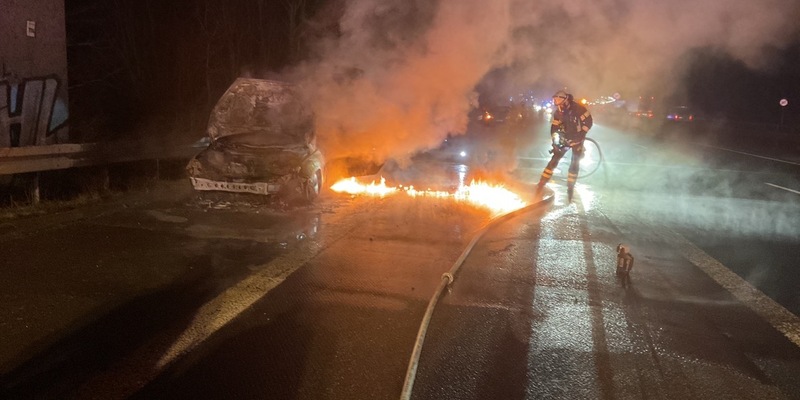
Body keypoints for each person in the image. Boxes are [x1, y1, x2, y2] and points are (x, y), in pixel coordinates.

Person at [535, 90, 593, 202]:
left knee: (575, 163)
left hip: (577, 140)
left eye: (556, 99)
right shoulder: (558, 111)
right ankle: (541, 184)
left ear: (563, 99)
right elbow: (554, 127)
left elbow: (589, 121)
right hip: (564, 139)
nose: (554, 101)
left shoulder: (578, 109)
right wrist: (555, 142)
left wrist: (581, 135)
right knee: (554, 160)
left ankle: (570, 188)